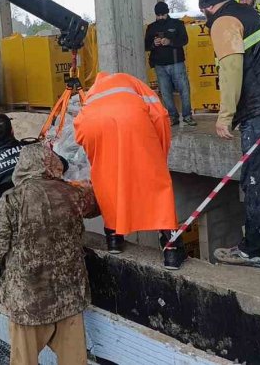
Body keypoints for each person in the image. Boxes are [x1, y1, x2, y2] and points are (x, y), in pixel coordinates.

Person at [0, 144, 98, 365]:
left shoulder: (12, 199)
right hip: (68, 298)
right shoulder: (72, 193)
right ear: (50, 164)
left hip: (28, 303)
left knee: (24, 361)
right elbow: (97, 205)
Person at [199, 0, 260, 268]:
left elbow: (231, 68)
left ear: (208, 7)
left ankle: (254, 250)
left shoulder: (223, 21)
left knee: (258, 179)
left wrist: (225, 116)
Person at [73, 72, 186, 269]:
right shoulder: (134, 84)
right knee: (157, 185)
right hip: (133, 123)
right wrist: (158, 151)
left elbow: (81, 129)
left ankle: (114, 238)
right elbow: (159, 115)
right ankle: (171, 250)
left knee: (108, 182)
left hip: (95, 128)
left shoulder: (94, 91)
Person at [144, 1, 196, 127]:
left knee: (184, 89)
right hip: (159, 65)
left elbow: (184, 40)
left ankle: (187, 116)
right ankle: (173, 117)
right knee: (165, 92)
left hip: (176, 63)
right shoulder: (151, 28)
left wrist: (170, 41)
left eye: (163, 14)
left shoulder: (177, 24)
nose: (161, 17)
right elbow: (146, 46)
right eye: (158, 15)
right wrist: (153, 44)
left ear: (167, 12)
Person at [0, 114, 38, 211]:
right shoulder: (33, 148)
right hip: (39, 206)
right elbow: (63, 164)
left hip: (10, 216)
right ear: (12, 131)